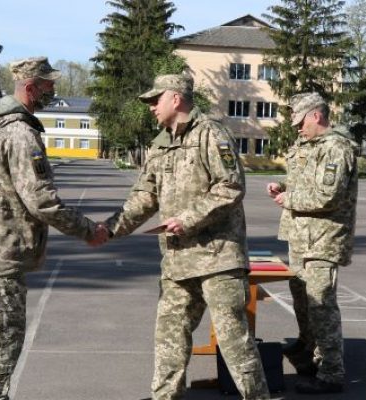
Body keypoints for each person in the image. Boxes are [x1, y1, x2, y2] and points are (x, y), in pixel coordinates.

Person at [102, 74, 269, 400]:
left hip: (217, 258)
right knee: (169, 336)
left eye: (156, 99)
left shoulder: (211, 133)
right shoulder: (160, 144)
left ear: (176, 98)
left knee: (234, 339)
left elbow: (231, 187)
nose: (151, 106)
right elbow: (144, 197)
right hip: (178, 260)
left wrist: (188, 219)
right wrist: (109, 228)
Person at [0, 57, 108, 400]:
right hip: (4, 251)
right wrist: (87, 230)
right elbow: (41, 200)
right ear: (30, 87)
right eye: (48, 84)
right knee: (6, 335)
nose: (53, 90)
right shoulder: (20, 133)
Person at [266, 92, 358, 394]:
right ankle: (309, 350)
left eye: (300, 121)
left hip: (323, 238)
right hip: (300, 236)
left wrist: (288, 198)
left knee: (321, 305)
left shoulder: (336, 148)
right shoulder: (308, 146)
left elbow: (328, 195)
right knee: (302, 297)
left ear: (316, 116)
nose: (296, 127)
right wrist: (284, 186)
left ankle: (332, 372)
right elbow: (306, 184)